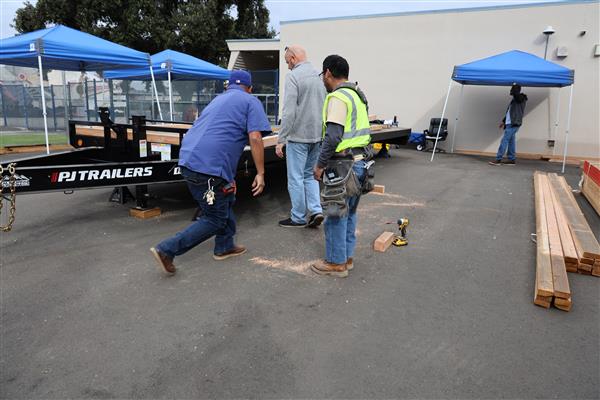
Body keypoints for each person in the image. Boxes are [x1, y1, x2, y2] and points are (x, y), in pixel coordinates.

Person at [150, 70, 271, 274]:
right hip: (209, 168)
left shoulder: (217, 100)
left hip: (189, 160)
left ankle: (225, 246)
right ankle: (167, 249)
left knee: (226, 197)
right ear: (250, 88)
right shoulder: (250, 101)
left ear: (227, 86)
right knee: (214, 218)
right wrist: (261, 172)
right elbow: (256, 137)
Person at [311, 55, 371, 278]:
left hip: (342, 167)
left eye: (322, 75)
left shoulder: (338, 97)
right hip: (360, 163)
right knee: (350, 213)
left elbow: (333, 137)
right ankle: (346, 258)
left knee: (335, 213)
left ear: (327, 73)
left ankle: (336, 263)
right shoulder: (357, 95)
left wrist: (319, 165)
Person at [275, 45, 326, 228]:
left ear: (294, 58)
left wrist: (281, 139)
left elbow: (288, 112)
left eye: (287, 61)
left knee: (295, 177)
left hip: (298, 137)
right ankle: (316, 210)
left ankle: (297, 217)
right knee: (310, 176)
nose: (287, 65)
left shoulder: (293, 77)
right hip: (316, 137)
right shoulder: (318, 76)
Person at [489, 84, 528, 166]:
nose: (511, 91)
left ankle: (498, 159)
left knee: (504, 140)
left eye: (512, 89)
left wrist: (515, 86)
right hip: (509, 123)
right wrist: (503, 121)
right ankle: (511, 159)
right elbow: (509, 112)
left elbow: (517, 95)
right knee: (511, 141)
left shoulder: (521, 98)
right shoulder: (514, 100)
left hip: (514, 123)